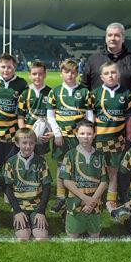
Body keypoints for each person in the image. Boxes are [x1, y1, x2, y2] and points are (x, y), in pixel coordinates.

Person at [46, 58, 94, 214]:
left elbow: (89, 115)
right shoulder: (55, 91)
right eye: (66, 71)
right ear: (61, 73)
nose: (70, 75)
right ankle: (61, 197)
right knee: (61, 166)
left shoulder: (84, 92)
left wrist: (88, 134)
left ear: (77, 73)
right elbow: (50, 116)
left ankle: (76, 196)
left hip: (79, 138)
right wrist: (57, 133)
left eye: (73, 72)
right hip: (62, 137)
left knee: (77, 166)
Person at [91, 61, 131, 222]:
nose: (110, 76)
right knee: (97, 171)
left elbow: (129, 115)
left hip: (117, 140)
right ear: (102, 77)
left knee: (113, 172)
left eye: (113, 73)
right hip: (98, 140)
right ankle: (97, 198)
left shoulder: (126, 94)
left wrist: (128, 131)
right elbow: (91, 117)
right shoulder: (94, 94)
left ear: (119, 75)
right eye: (107, 73)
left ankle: (111, 200)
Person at [60, 120, 108, 239]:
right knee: (73, 235)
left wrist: (92, 201)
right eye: (82, 133)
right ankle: (69, 219)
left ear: (94, 135)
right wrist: (85, 198)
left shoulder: (100, 156)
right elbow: (66, 181)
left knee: (95, 235)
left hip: (94, 203)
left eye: (88, 134)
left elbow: (104, 182)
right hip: (76, 202)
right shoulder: (70, 155)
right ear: (76, 134)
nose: (85, 137)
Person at [4, 128, 52, 241]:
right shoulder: (11, 162)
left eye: (31, 143)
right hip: (19, 206)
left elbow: (47, 187)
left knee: (41, 237)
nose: (28, 146)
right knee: (23, 237)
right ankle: (24, 221)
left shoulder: (41, 162)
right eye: (24, 143)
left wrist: (41, 211)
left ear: (35, 143)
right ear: (17, 143)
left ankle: (34, 219)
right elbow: (7, 188)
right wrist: (17, 211)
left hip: (37, 206)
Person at [0, 54, 28, 171]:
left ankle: (9, 185)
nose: (6, 70)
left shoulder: (21, 84)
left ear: (14, 68)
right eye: (3, 67)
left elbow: (25, 106)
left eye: (9, 67)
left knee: (11, 161)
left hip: (13, 131)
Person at [81, 22, 131, 91]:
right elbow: (84, 87)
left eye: (117, 35)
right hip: (99, 101)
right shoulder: (93, 60)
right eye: (110, 35)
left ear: (123, 39)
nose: (113, 38)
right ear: (106, 38)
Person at [17, 60, 53, 156]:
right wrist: (24, 133)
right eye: (34, 74)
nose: (37, 77)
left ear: (45, 75)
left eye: (40, 74)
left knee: (40, 161)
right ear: (30, 75)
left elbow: (55, 116)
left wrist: (52, 132)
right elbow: (20, 117)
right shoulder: (24, 93)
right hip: (27, 135)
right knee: (25, 161)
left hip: (43, 135)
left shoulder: (51, 93)